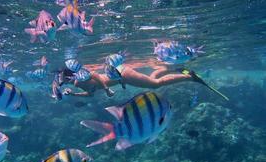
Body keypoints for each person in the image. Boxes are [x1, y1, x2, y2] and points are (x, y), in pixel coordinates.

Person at [56, 53, 228, 100]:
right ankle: (171, 68)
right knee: (153, 81)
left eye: (62, 79)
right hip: (120, 76)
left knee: (155, 85)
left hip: (122, 74)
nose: (61, 82)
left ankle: (190, 77)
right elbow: (91, 93)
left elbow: (95, 75)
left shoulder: (80, 76)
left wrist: (108, 88)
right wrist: (74, 94)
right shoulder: (77, 84)